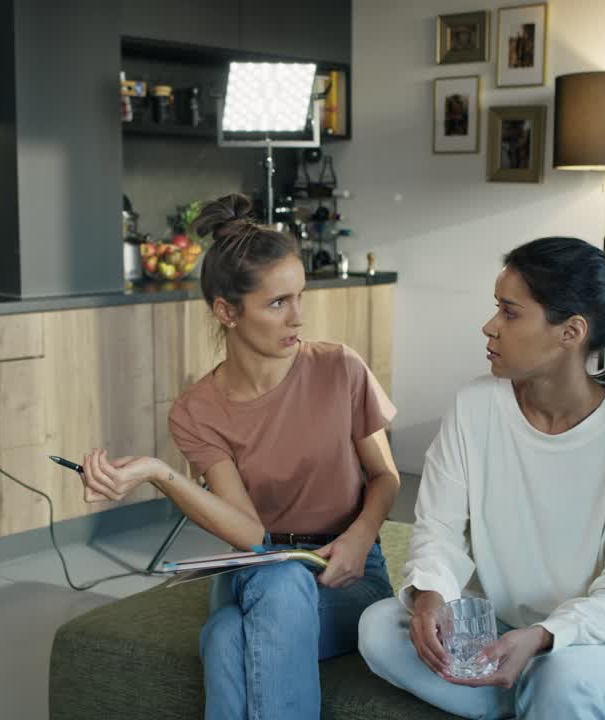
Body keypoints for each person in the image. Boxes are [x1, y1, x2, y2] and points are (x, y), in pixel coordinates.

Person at [78, 193, 401, 719]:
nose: (297, 317)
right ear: (226, 311)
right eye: (278, 303)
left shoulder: (340, 368)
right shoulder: (197, 411)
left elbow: (385, 477)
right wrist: (160, 473)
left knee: (228, 636)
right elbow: (252, 537)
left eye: (299, 296)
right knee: (273, 579)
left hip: (348, 571)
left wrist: (359, 538)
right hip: (259, 568)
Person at [358, 236, 605, 720]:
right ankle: (536, 703)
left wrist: (544, 638)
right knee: (379, 628)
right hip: (500, 624)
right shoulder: (474, 407)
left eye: (509, 312)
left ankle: (545, 694)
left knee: (560, 678)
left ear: (570, 332)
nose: (489, 327)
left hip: (598, 639)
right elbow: (439, 531)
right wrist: (430, 597)